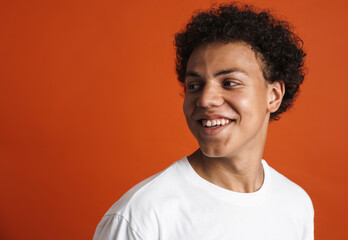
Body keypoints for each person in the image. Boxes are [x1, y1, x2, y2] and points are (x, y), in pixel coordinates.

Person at [93, 3, 314, 240]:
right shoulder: (141, 216)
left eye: (229, 83)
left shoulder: (295, 204)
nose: (205, 99)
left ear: (274, 96)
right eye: (194, 86)